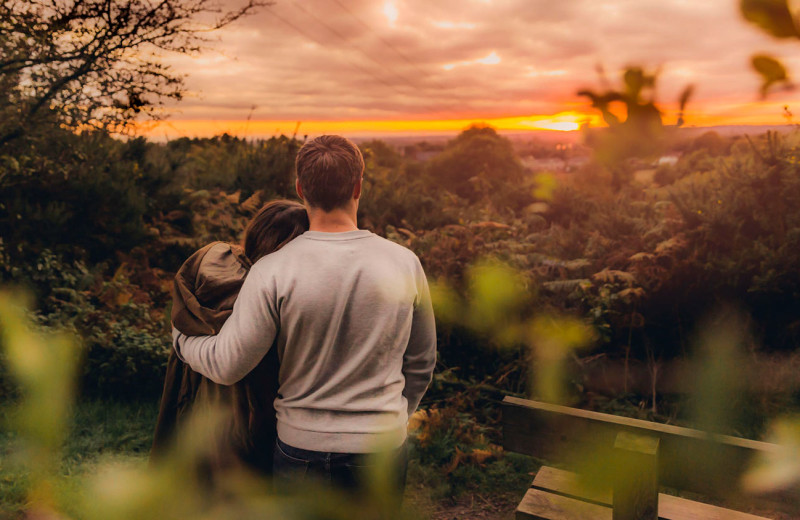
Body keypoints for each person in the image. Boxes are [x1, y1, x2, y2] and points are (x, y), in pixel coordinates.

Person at [173, 135, 437, 495]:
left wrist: (182, 339)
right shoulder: (405, 263)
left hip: (301, 451)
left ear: (300, 189)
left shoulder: (273, 270)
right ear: (359, 186)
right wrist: (392, 419)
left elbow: (228, 364)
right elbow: (421, 361)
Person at [151, 199, 309, 479]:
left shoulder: (211, 268)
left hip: (200, 408)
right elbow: (228, 366)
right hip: (250, 420)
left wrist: (181, 339)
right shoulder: (271, 294)